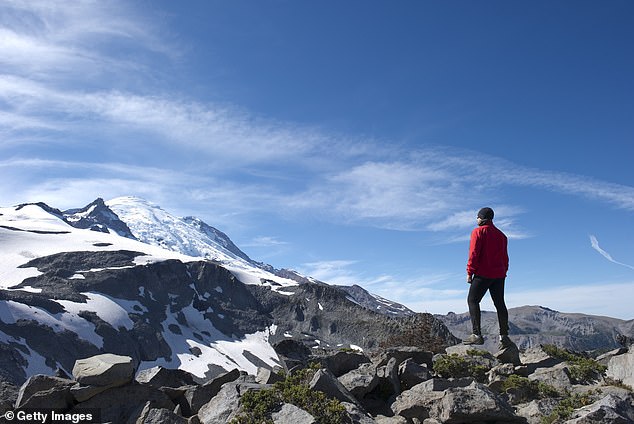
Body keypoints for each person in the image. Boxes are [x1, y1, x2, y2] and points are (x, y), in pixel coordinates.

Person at [463, 207, 511, 349]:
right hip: (499, 275)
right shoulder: (502, 235)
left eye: (477, 217)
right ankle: (504, 336)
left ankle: (477, 335)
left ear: (482, 218)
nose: (476, 219)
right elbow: (505, 257)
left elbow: (474, 253)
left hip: (483, 273)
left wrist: (469, 272)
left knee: (472, 300)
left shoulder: (478, 232)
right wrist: (504, 271)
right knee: (500, 303)